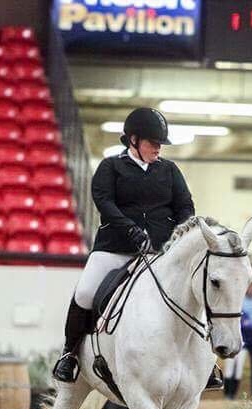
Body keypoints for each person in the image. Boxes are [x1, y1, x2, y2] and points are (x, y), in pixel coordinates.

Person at [51, 107, 223, 390]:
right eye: (153, 142)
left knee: (191, 292)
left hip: (159, 252)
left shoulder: (169, 170)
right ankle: (69, 353)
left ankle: (205, 360)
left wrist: (179, 235)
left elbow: (185, 206)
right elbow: (104, 202)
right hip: (115, 247)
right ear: (133, 140)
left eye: (160, 144)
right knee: (84, 291)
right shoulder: (111, 167)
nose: (158, 148)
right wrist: (130, 229)